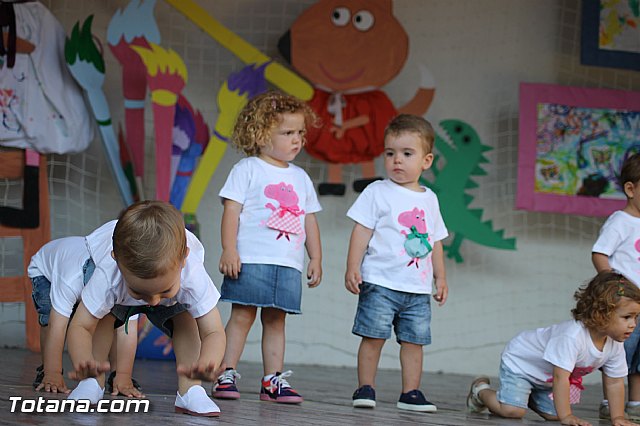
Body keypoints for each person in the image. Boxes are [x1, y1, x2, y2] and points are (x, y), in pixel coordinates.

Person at [66, 200, 226, 417]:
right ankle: (91, 384)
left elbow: (213, 331)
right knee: (102, 318)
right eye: (140, 292)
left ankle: (191, 390)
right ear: (117, 262)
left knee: (187, 320)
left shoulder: (192, 274)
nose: (152, 302)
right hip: (117, 294)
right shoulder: (108, 274)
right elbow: (81, 326)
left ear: (183, 259)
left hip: (166, 296)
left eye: (165, 290)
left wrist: (209, 360)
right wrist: (84, 360)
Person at [212, 90, 322, 404]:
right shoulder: (247, 169)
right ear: (260, 135)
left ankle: (272, 380)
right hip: (250, 259)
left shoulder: (301, 178)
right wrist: (229, 249)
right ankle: (226, 371)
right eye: (288, 133)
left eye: (300, 132)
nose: (297, 139)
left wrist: (315, 257)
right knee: (242, 316)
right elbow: (231, 211)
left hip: (287, 263)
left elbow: (309, 220)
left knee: (276, 320)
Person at [344, 113, 448, 412]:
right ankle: (366, 387)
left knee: (414, 342)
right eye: (390, 153)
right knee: (373, 337)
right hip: (379, 282)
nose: (397, 160)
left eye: (406, 154)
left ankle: (411, 392)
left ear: (426, 161)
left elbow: (435, 240)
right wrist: (353, 266)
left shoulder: (430, 199)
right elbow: (361, 230)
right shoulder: (377, 191)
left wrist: (440, 278)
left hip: (417, 289)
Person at [466, 271, 640, 426]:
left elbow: (615, 381)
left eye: (636, 317)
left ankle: (525, 395)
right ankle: (480, 390)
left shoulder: (614, 343)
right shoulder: (572, 337)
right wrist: (567, 416)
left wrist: (617, 417)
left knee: (554, 415)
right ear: (600, 313)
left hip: (545, 378)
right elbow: (560, 378)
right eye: (627, 317)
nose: (633, 325)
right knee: (513, 412)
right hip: (521, 364)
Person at [28, 236, 141, 397]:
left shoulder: (122, 284)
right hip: (45, 272)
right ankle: (47, 369)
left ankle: (116, 375)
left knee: (116, 319)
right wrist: (53, 373)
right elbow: (56, 326)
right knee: (49, 319)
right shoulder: (70, 281)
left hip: (80, 262)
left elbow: (127, 332)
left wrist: (124, 376)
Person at [592, 152, 640, 420]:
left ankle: (635, 403)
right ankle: (610, 402)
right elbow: (599, 253)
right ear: (631, 189)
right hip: (624, 306)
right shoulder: (620, 221)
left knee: (639, 359)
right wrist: (615, 288)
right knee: (619, 353)